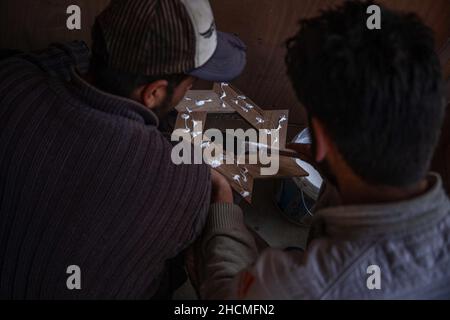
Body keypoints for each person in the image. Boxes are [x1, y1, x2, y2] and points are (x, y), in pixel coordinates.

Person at [197, 0, 450, 299]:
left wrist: (224, 206)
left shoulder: (297, 286)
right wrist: (332, 168)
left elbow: (226, 298)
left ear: (318, 135)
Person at [0, 0, 246, 299]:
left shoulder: (12, 81)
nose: (189, 91)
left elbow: (47, 61)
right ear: (154, 92)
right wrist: (220, 192)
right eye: (189, 83)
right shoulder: (184, 183)